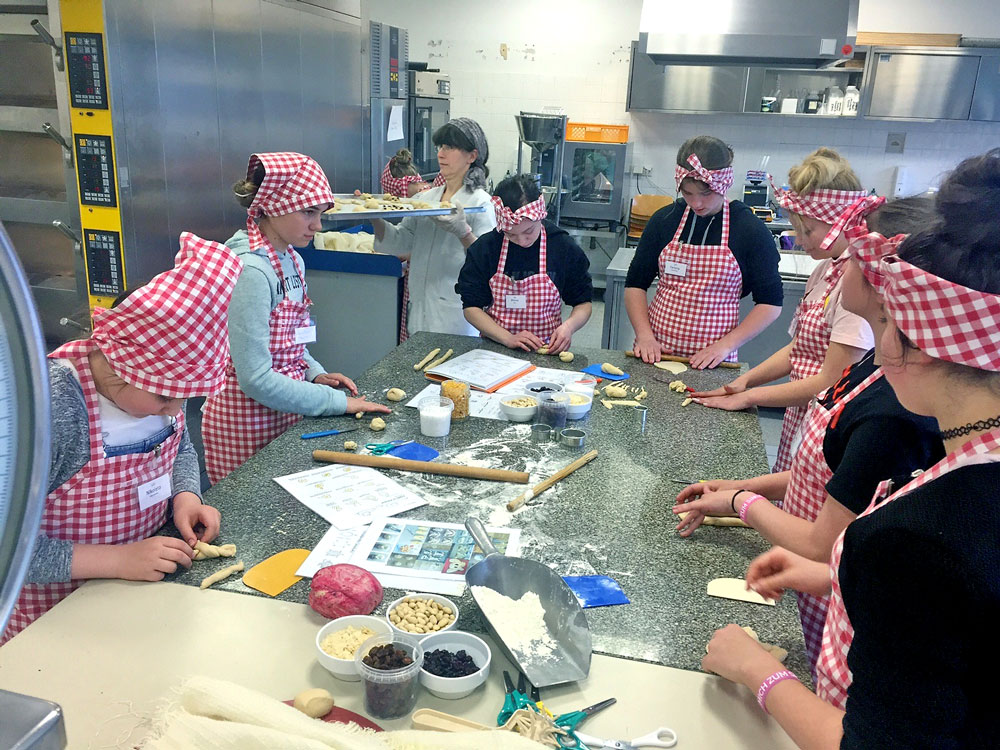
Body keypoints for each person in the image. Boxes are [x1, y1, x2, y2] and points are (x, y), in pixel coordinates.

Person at [701, 150, 1000, 748]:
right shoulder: (968, 464)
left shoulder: (917, 540)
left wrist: (756, 669)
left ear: (916, 343)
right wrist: (835, 578)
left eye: (888, 321)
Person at [672, 195, 944, 675]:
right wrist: (743, 487)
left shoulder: (892, 412)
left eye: (852, 259)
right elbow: (829, 477)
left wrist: (740, 502)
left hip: (835, 612)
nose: (840, 268)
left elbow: (824, 540)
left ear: (883, 281)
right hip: (815, 578)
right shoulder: (873, 368)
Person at [2, 234, 242, 643]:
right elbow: (9, 551)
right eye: (164, 397)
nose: (175, 409)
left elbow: (180, 448)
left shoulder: (164, 388)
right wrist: (118, 560)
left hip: (134, 595)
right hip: (55, 621)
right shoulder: (55, 409)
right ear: (119, 365)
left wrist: (186, 497)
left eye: (184, 398)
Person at [201, 152, 389, 484]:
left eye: (321, 213)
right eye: (308, 212)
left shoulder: (292, 260)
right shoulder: (250, 271)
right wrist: (335, 402)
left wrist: (314, 373)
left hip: (286, 409)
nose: (318, 225)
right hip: (245, 424)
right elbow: (255, 379)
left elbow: (291, 340)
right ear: (273, 206)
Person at [694, 148, 874, 471]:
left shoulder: (857, 284)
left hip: (830, 424)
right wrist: (745, 381)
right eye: (796, 229)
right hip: (801, 411)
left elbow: (831, 380)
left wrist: (750, 397)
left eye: (808, 231)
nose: (799, 240)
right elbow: (798, 350)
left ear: (842, 221)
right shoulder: (824, 270)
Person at [625, 136, 783, 370]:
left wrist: (725, 346)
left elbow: (770, 303)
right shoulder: (665, 220)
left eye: (706, 194)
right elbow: (635, 284)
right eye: (687, 193)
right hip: (657, 351)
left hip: (714, 360)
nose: (696, 203)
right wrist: (645, 335)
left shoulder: (749, 229)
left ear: (723, 184)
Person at [373, 118, 497, 336]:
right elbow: (401, 242)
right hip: (419, 309)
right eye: (440, 147)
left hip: (456, 316)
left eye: (450, 147)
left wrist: (464, 233)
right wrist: (375, 217)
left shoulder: (481, 203)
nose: (441, 154)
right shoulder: (426, 198)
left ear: (472, 156)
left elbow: (489, 265)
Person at [456, 174, 592, 353]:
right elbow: (471, 308)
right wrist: (508, 338)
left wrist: (569, 327)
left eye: (528, 231)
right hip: (495, 349)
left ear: (540, 216)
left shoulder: (561, 247)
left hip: (546, 350)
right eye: (511, 234)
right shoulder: (486, 248)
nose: (521, 241)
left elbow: (583, 303)